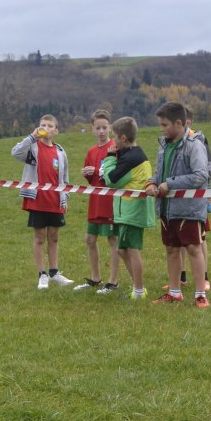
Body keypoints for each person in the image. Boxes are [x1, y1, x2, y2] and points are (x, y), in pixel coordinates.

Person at [145, 102, 210, 306]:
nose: (162, 129)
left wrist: (170, 184)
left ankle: (200, 294)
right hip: (167, 209)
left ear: (179, 123)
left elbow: (201, 175)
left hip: (188, 209)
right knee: (172, 249)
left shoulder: (194, 145)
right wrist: (151, 183)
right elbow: (160, 173)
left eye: (165, 125)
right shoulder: (164, 146)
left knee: (193, 249)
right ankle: (174, 293)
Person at [11, 114, 74, 289]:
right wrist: (32, 137)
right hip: (37, 200)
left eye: (50, 125)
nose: (46, 128)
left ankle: (54, 272)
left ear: (56, 130)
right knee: (39, 237)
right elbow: (15, 152)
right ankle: (42, 274)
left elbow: (65, 178)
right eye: (43, 125)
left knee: (53, 237)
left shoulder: (60, 152)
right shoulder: (32, 148)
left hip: (55, 200)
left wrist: (65, 197)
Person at [100, 117, 154, 300]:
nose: (113, 141)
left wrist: (109, 158)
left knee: (131, 249)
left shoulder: (131, 158)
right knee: (122, 250)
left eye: (114, 136)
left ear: (123, 138)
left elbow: (111, 180)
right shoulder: (133, 154)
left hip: (133, 210)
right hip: (128, 211)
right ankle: (138, 287)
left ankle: (138, 290)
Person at [74, 109, 119, 293]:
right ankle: (95, 278)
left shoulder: (115, 148)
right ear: (92, 129)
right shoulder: (91, 151)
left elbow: (116, 175)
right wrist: (86, 173)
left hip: (109, 202)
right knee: (90, 239)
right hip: (95, 202)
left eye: (104, 127)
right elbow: (90, 180)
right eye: (98, 128)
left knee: (112, 239)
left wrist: (99, 172)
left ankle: (113, 282)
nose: (101, 131)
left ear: (110, 127)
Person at [181, 108, 211, 292]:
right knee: (178, 239)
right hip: (176, 198)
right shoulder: (171, 142)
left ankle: (204, 277)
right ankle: (181, 277)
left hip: (198, 197)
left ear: (189, 122)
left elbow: (209, 168)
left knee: (200, 237)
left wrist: (206, 193)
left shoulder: (199, 140)